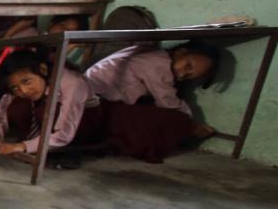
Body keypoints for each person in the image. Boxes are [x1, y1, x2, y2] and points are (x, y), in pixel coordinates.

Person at [83, 41, 219, 162]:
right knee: (176, 120)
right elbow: (168, 102)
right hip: (95, 100)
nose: (182, 75)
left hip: (92, 96)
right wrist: (192, 124)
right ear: (180, 52)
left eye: (189, 76)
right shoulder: (158, 64)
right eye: (188, 65)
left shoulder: (152, 52)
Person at [0, 50, 103, 164]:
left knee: (46, 110)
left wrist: (23, 146)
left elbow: (64, 133)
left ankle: (61, 149)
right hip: (46, 125)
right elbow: (1, 113)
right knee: (17, 106)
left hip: (82, 126)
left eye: (26, 81)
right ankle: (37, 141)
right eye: (15, 87)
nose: (23, 90)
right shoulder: (21, 90)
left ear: (43, 70)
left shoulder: (71, 83)